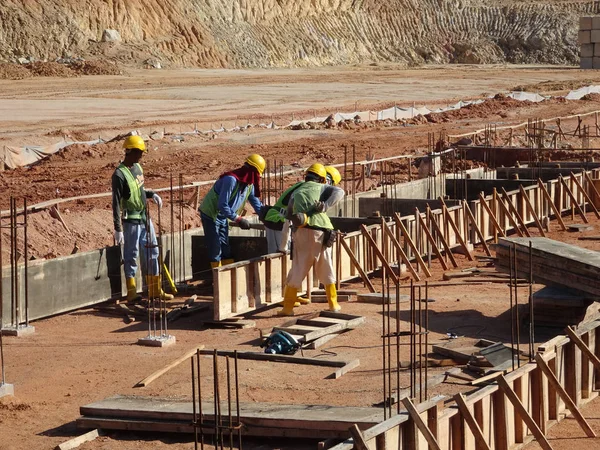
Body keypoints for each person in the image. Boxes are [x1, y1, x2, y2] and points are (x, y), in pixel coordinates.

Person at [278, 163, 344, 316]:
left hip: (300, 232)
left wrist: (283, 246)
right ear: (322, 179)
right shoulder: (321, 187)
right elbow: (339, 191)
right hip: (321, 231)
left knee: (298, 268)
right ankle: (333, 304)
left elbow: (288, 217)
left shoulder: (296, 191)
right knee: (326, 267)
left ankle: (288, 308)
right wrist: (325, 206)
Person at [112, 135, 173, 302]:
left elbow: (139, 191)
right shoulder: (119, 174)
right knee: (131, 255)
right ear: (129, 152)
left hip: (144, 218)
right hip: (130, 220)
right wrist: (118, 228)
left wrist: (151, 194)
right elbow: (116, 203)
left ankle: (155, 290)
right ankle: (132, 292)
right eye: (139, 153)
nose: (141, 156)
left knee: (153, 251)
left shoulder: (138, 168)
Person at [199, 154, 265, 268]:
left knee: (225, 246)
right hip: (211, 214)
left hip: (223, 216)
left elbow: (256, 204)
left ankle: (228, 275)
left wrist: (266, 216)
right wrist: (238, 219)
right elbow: (222, 205)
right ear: (252, 172)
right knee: (215, 248)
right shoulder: (231, 180)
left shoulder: (249, 185)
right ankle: (218, 278)